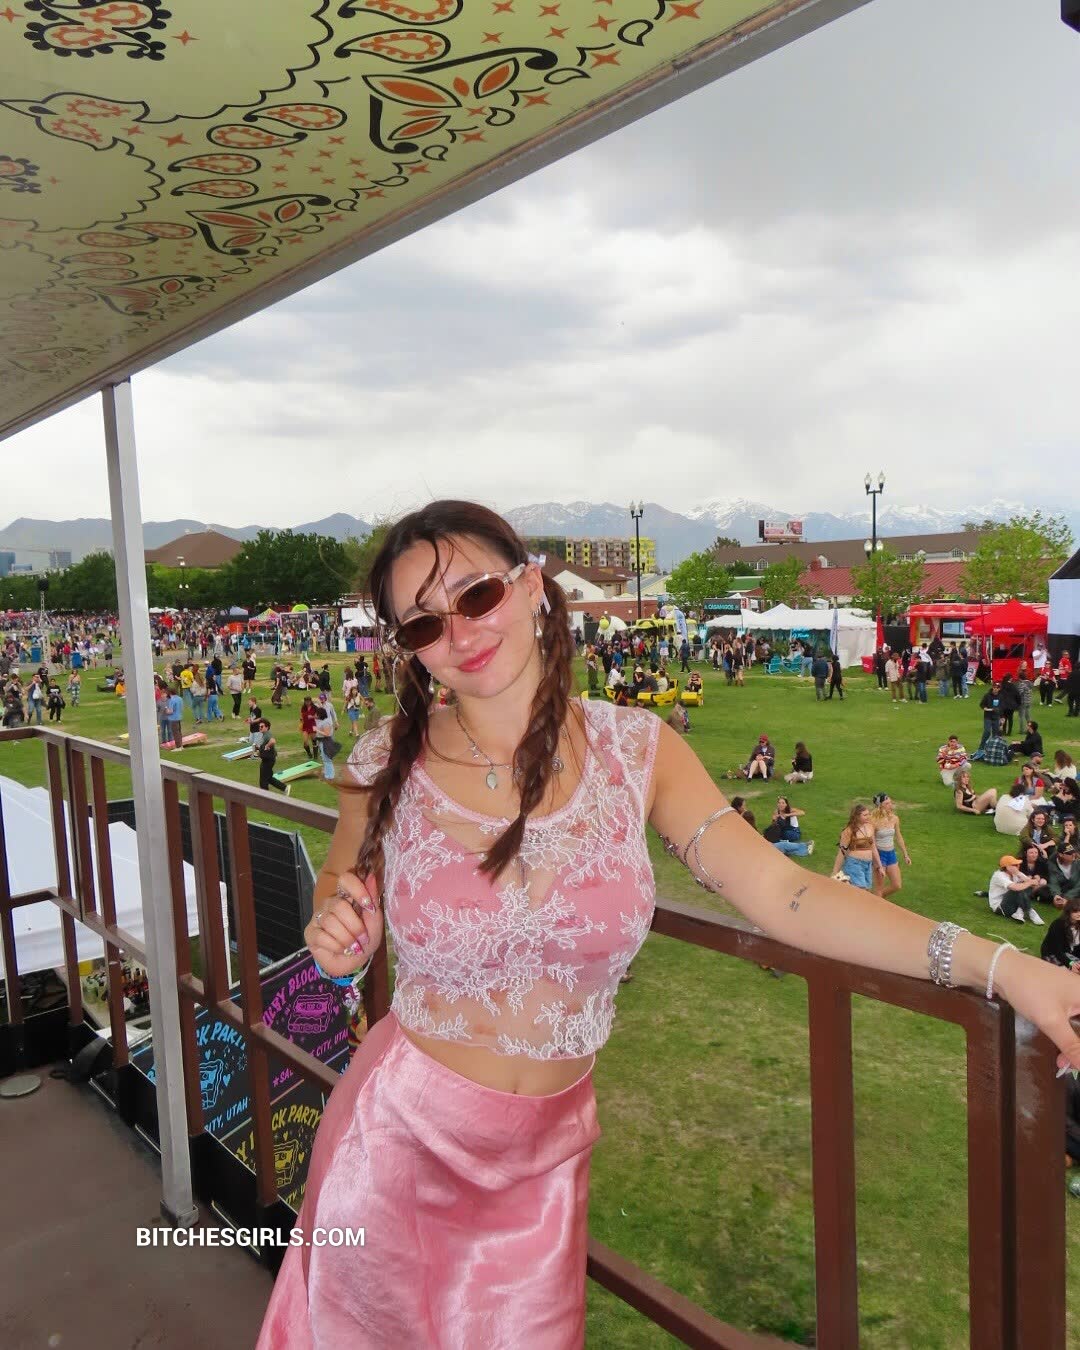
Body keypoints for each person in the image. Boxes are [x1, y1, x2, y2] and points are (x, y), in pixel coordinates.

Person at [257, 499, 1080, 1350]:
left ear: (532, 586)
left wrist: (999, 966)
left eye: (476, 595)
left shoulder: (635, 751)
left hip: (544, 1173)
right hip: (393, 1151)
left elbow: (783, 892)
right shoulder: (383, 761)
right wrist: (338, 935)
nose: (460, 632)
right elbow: (341, 885)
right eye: (425, 623)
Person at [832, 803, 883, 890]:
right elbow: (842, 852)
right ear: (857, 816)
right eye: (865, 815)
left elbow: (873, 847)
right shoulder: (849, 831)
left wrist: (879, 866)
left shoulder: (870, 827)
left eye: (869, 814)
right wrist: (835, 871)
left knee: (866, 890)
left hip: (868, 864)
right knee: (861, 891)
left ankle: (846, 886)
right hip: (855, 863)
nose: (868, 817)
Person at [870, 793, 911, 898]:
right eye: (887, 803)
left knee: (897, 885)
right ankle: (876, 901)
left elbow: (898, 836)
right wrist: (876, 860)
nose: (890, 805)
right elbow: (871, 842)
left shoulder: (894, 818)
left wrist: (905, 854)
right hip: (879, 854)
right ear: (880, 805)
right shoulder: (873, 820)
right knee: (879, 888)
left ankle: (874, 898)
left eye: (890, 803)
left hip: (891, 854)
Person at [987, 855, 1044, 925]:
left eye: (1018, 864)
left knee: (1026, 887)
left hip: (1013, 903)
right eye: (1015, 865)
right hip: (1001, 908)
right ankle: (1030, 911)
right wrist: (1029, 882)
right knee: (1018, 888)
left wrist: (1020, 875)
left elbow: (1034, 884)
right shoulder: (999, 876)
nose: (1018, 866)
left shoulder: (1016, 873)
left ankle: (1019, 911)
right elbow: (1016, 888)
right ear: (1007, 867)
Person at [1041, 896, 1080, 970]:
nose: (1079, 914)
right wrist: (1070, 963)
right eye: (1075, 911)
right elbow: (1056, 949)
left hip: (1068, 954)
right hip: (1052, 954)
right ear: (1069, 911)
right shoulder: (1058, 924)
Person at [255, 719, 289, 795]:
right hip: (267, 759)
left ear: (267, 727)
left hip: (268, 760)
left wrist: (267, 746)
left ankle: (265, 795)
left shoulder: (267, 734)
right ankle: (284, 788)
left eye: (262, 726)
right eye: (259, 726)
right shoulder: (264, 735)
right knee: (268, 778)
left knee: (263, 780)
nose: (260, 728)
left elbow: (273, 741)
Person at [1019, 842, 1054, 906]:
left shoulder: (1042, 862)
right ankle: (1031, 894)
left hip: (1037, 883)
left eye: (1036, 853)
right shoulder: (1020, 862)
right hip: (1024, 882)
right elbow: (1017, 874)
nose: (1034, 855)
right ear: (1026, 853)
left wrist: (1040, 876)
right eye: (1031, 853)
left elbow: (1048, 875)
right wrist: (1026, 877)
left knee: (1043, 882)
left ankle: (1033, 894)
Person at [1048, 843, 1080, 910]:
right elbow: (1053, 882)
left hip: (1076, 890)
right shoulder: (1052, 866)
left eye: (1073, 852)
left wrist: (1067, 897)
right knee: (1044, 890)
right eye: (1070, 853)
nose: (1073, 855)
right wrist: (1056, 895)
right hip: (1062, 890)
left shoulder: (1077, 863)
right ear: (1061, 854)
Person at [165, 685, 184, 750]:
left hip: (173, 718)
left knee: (175, 733)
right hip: (179, 717)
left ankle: (178, 747)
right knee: (179, 732)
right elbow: (181, 708)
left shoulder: (172, 700)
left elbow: (171, 711)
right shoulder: (180, 698)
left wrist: (166, 710)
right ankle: (181, 745)